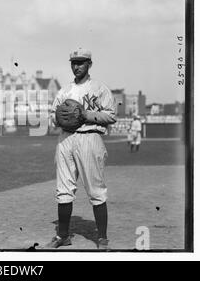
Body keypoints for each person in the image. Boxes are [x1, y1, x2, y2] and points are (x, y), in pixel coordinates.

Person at [47, 48, 117, 250]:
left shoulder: (99, 88)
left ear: (89, 64)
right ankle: (62, 236)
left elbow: (111, 116)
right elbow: (53, 117)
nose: (76, 66)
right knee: (63, 189)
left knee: (96, 190)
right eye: (73, 62)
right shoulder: (64, 91)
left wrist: (85, 114)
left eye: (81, 62)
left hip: (90, 137)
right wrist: (59, 117)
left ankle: (102, 238)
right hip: (66, 139)